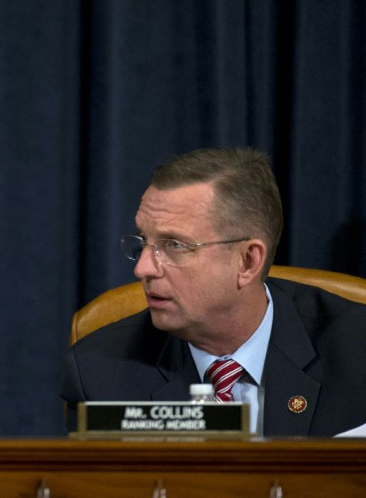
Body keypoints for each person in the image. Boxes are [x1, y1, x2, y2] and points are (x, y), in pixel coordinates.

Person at [61, 147, 366, 437]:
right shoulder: (100, 373)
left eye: (175, 245)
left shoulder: (356, 349)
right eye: (143, 240)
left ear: (247, 261)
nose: (143, 268)